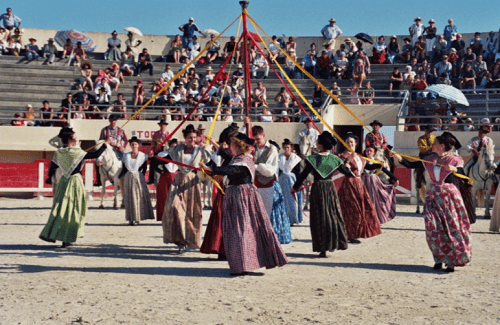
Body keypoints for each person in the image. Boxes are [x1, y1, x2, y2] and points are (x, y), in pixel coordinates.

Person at [200, 133, 288, 276]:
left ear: (238, 147)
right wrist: (215, 156)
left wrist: (213, 169)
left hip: (242, 197)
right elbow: (229, 160)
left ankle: (243, 264)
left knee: (241, 230)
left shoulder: (244, 161)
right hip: (236, 196)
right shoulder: (239, 158)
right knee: (239, 230)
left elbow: (233, 170)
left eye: (232, 145)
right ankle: (241, 264)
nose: (230, 148)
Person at [392, 132, 472, 272]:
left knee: (451, 228)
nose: (432, 145)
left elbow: (460, 170)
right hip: (433, 195)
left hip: (449, 197)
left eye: (434, 144)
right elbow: (411, 164)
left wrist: (453, 169)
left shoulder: (454, 160)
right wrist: (399, 158)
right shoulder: (429, 159)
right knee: (433, 228)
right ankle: (438, 258)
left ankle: (451, 262)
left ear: (441, 146)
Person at [40, 127, 107, 247]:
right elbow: (95, 154)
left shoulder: (60, 152)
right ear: (71, 139)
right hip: (75, 182)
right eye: (76, 137)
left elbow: (53, 166)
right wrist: (105, 144)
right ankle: (67, 238)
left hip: (63, 182)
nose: (77, 138)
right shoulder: (76, 152)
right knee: (74, 209)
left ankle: (57, 234)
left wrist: (50, 177)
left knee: (61, 209)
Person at [292, 131, 349, 257]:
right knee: (333, 215)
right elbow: (347, 172)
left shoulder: (313, 159)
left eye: (317, 142)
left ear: (320, 145)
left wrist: (295, 187)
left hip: (317, 189)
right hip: (330, 189)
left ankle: (322, 248)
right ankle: (336, 243)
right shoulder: (335, 159)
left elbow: (303, 175)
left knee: (319, 218)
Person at [161, 125, 211, 252]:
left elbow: (212, 161)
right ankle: (179, 240)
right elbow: (164, 156)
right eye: (190, 138)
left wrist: (204, 166)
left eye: (194, 137)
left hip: (193, 182)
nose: (193, 140)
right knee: (174, 207)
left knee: (192, 212)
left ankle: (192, 240)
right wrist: (153, 155)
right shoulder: (178, 149)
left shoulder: (201, 151)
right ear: (185, 138)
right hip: (179, 181)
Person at [199, 125, 238, 259]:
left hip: (231, 188)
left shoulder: (233, 155)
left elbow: (228, 161)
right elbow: (212, 165)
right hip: (221, 188)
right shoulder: (218, 154)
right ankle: (219, 248)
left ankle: (229, 249)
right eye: (223, 142)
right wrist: (205, 167)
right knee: (220, 217)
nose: (225, 144)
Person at [338, 133, 382, 244]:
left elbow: (367, 166)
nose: (350, 144)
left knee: (361, 209)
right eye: (348, 142)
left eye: (352, 142)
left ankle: (356, 233)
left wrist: (379, 164)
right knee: (352, 210)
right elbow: (343, 168)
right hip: (349, 184)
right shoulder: (342, 156)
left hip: (359, 184)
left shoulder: (359, 156)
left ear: (356, 144)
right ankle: (350, 234)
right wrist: (348, 160)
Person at [252, 125, 292, 244]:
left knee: (270, 213)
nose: (256, 142)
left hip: (269, 183)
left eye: (258, 139)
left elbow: (269, 170)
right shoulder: (252, 148)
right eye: (254, 139)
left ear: (263, 136)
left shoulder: (272, 149)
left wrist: (254, 166)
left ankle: (271, 238)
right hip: (256, 184)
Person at [121, 136, 154, 225]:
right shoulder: (126, 156)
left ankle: (138, 218)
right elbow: (124, 168)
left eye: (135, 144)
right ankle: (130, 218)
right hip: (128, 177)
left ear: (138, 145)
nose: (134, 146)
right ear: (130, 145)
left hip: (138, 177)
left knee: (138, 197)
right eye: (132, 144)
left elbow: (145, 165)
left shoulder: (142, 156)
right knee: (129, 197)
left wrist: (140, 176)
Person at [362, 145, 398, 224]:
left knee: (374, 200)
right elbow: (367, 168)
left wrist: (394, 178)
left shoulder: (377, 161)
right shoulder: (362, 160)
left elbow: (385, 170)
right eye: (367, 151)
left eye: (370, 151)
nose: (368, 152)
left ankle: (374, 218)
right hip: (363, 181)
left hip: (373, 181)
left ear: (374, 152)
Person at [278, 139, 303, 226]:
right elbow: (278, 170)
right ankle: (284, 218)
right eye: (284, 148)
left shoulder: (295, 159)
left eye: (288, 147)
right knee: (282, 200)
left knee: (292, 201)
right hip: (282, 181)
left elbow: (298, 172)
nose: (286, 149)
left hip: (292, 181)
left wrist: (299, 184)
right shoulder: (280, 157)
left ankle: (293, 219)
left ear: (291, 148)